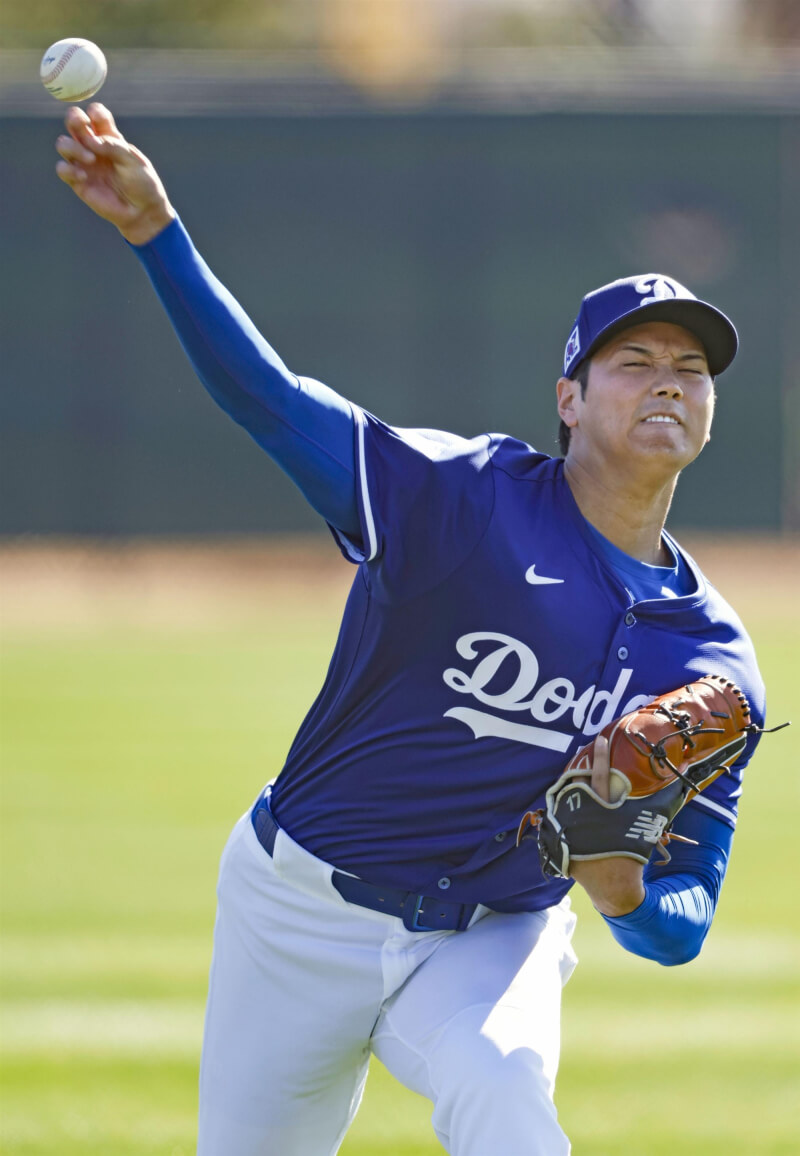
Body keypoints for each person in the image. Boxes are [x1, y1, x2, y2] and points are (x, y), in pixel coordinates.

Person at [55, 104, 765, 1156]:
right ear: (565, 399)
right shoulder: (458, 499)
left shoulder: (711, 663)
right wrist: (158, 237)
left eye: (689, 369)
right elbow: (269, 403)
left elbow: (681, 922)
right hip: (297, 908)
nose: (667, 377)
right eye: (633, 360)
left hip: (494, 935)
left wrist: (620, 886)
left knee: (506, 1103)